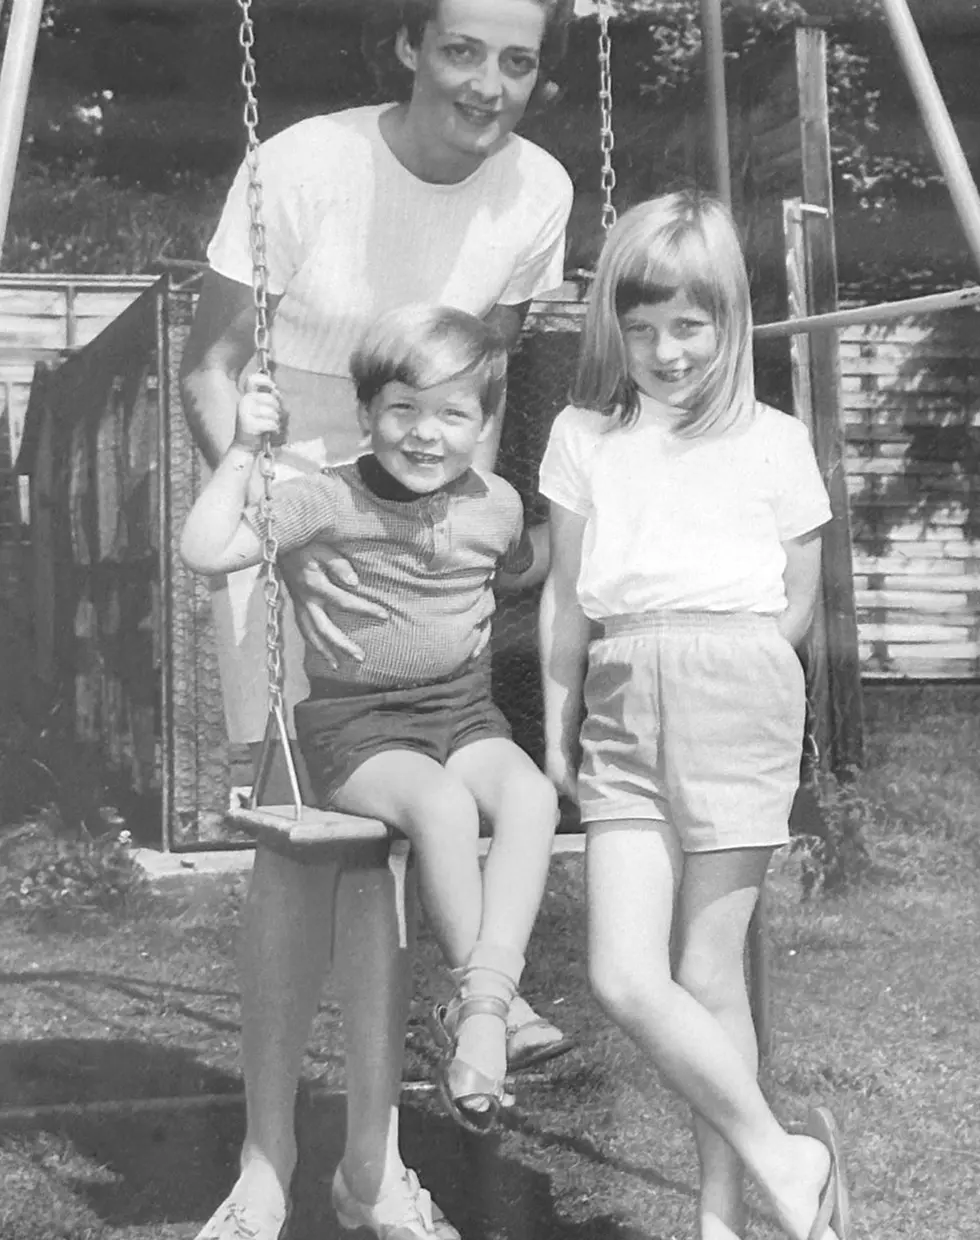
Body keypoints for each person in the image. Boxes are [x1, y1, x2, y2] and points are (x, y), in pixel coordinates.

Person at [179, 3, 575, 1237]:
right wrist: (281, 516)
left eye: (517, 60)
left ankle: (369, 1165)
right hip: (293, 503)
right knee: (306, 851)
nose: (486, 85)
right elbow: (211, 364)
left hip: (417, 525)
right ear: (408, 46)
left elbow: (486, 380)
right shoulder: (301, 164)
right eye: (462, 50)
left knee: (409, 837)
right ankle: (263, 1161)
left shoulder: (539, 191)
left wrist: (448, 527)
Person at [539, 190, 853, 1240]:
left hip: (735, 684)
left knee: (707, 970)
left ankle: (722, 1214)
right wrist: (555, 727)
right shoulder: (584, 436)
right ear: (610, 330)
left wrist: (745, 669)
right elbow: (562, 594)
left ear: (729, 323)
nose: (666, 351)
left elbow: (797, 597)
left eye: (689, 326)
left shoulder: (773, 439)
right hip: (621, 694)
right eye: (640, 329)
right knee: (623, 973)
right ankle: (786, 1157)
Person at [182, 303, 560, 1135]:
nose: (426, 435)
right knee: (442, 807)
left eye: (453, 415)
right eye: (403, 410)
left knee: (531, 798)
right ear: (365, 414)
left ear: (484, 424)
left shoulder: (494, 505)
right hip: (360, 730)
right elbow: (206, 552)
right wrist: (245, 450)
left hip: (462, 713)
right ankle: (488, 1011)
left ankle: (483, 1003)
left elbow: (531, 559)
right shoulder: (324, 499)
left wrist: (596, 500)